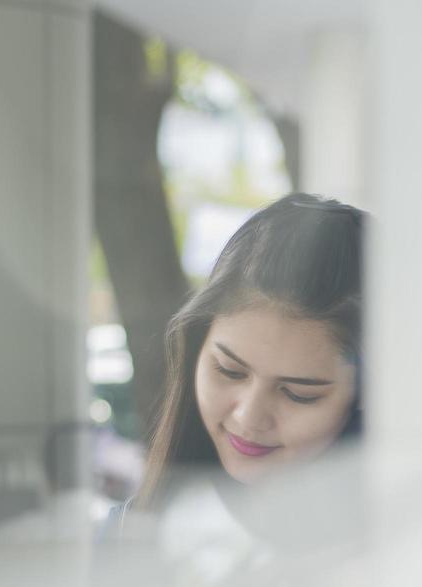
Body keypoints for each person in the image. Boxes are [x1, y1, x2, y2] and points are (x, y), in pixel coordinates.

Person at [103, 193, 364, 544]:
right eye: (229, 371)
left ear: (365, 396)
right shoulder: (128, 536)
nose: (248, 417)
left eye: (298, 394)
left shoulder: (416, 560)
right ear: (198, 350)